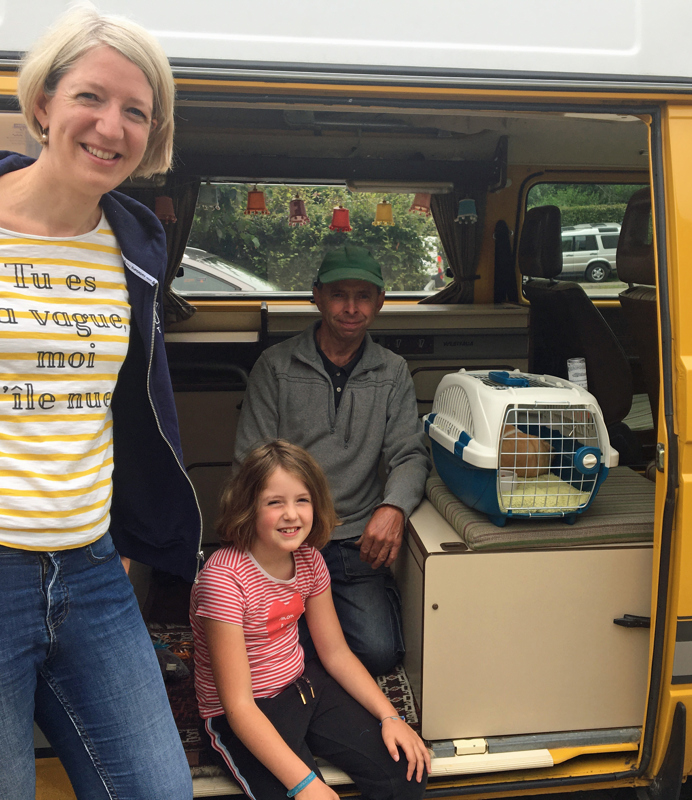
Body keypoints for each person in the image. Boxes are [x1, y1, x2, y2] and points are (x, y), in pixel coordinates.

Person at [0, 7, 200, 798]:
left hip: (89, 572)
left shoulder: (133, 239)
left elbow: (119, 402)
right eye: (91, 96)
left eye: (137, 112)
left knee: (160, 790)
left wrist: (118, 528)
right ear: (43, 102)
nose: (111, 126)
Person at [191, 440, 430, 800]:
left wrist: (391, 717)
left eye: (302, 500)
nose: (292, 514)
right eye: (275, 502)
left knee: (407, 771)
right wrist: (304, 785)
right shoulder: (223, 579)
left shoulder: (310, 562)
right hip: (243, 713)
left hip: (302, 685)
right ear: (247, 508)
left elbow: (335, 653)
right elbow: (238, 704)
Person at [234, 246, 430, 675]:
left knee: (378, 654)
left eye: (364, 296)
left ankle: (350, 611)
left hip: (353, 540)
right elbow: (252, 461)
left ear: (380, 302)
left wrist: (393, 506)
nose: (351, 308)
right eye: (339, 294)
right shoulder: (276, 365)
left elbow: (410, 453)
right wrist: (279, 532)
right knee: (268, 657)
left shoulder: (393, 371)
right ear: (317, 297)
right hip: (285, 537)